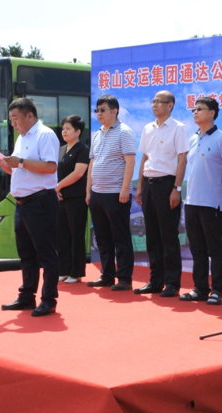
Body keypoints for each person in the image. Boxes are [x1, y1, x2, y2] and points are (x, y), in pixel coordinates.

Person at [0, 97, 60, 317]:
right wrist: (2, 164)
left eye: (16, 118)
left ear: (30, 115)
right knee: (26, 254)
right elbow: (17, 170)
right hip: (21, 203)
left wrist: (19, 161)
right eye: (10, 119)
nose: (13, 123)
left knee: (46, 254)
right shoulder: (21, 138)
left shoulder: (45, 135)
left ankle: (49, 300)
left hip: (40, 201)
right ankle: (27, 296)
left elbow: (50, 167)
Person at [179, 97, 222, 305]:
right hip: (191, 201)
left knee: (214, 248)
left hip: (211, 203)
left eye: (200, 109)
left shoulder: (221, 138)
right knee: (197, 248)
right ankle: (200, 288)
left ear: (212, 113)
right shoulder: (192, 139)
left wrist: (220, 190)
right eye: (193, 109)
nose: (195, 112)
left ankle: (217, 291)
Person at [134, 90, 189, 297]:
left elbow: (182, 160)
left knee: (168, 235)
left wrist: (177, 188)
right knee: (152, 236)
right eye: (153, 101)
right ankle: (155, 281)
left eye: (159, 101)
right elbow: (144, 158)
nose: (154, 105)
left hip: (167, 185)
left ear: (170, 105)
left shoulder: (178, 128)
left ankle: (172, 283)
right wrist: (140, 186)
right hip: (149, 184)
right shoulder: (148, 128)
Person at [86, 95, 136, 291]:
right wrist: (89, 191)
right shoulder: (97, 134)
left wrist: (125, 189)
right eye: (97, 110)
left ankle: (124, 278)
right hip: (97, 193)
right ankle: (107, 275)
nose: (99, 114)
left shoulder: (124, 132)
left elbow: (130, 162)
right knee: (102, 237)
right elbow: (92, 163)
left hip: (116, 193)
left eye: (103, 110)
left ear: (114, 111)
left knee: (120, 237)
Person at [56, 115, 89, 284]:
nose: (64, 132)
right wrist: (56, 189)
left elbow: (78, 173)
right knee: (62, 235)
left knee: (76, 235)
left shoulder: (82, 149)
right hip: (60, 198)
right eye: (63, 129)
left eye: (68, 129)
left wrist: (58, 187)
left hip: (76, 198)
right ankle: (63, 270)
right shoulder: (61, 149)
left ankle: (76, 272)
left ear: (78, 131)